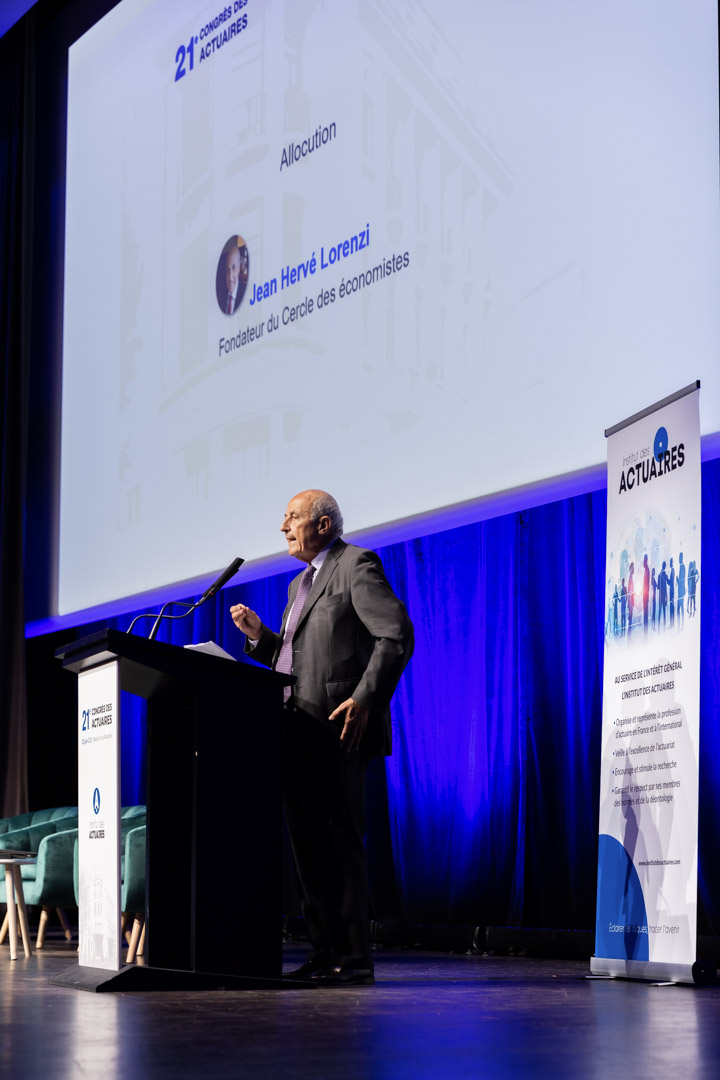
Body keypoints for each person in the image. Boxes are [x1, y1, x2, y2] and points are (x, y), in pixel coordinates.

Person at [230, 490, 414, 986]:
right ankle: (323, 950)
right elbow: (296, 661)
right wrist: (259, 637)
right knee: (308, 851)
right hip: (296, 730)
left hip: (338, 730)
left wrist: (365, 699)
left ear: (324, 524)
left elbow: (396, 634)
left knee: (338, 845)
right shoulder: (298, 584)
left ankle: (353, 959)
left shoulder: (356, 565)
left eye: (292, 517)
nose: (283, 527)